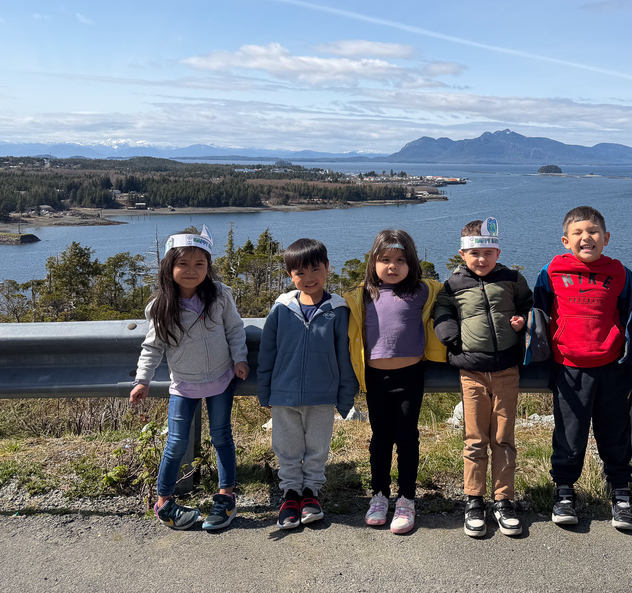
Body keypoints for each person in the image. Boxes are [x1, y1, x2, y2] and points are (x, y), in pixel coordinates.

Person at [130, 226, 249, 532]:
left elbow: (235, 329)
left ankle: (226, 496)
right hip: (183, 384)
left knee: (222, 437)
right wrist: (143, 380)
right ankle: (164, 503)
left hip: (222, 379)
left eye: (200, 264)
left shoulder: (220, 295)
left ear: (208, 267)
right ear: (169, 267)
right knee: (175, 443)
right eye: (183, 264)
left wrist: (240, 359)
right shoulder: (160, 307)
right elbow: (152, 347)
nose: (191, 271)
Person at [530, 206, 632, 529]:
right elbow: (540, 314)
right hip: (569, 369)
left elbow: (630, 320)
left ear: (606, 238)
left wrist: (629, 369)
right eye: (577, 233)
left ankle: (620, 493)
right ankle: (564, 492)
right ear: (565, 240)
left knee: (615, 436)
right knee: (569, 436)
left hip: (612, 368)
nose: (585, 238)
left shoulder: (621, 273)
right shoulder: (550, 272)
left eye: (592, 232)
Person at [434, 217, 532, 537]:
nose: (482, 259)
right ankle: (474, 499)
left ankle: (503, 501)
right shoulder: (453, 284)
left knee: (504, 438)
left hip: (507, 370)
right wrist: (449, 336)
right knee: (475, 439)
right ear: (463, 254)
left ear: (498, 252)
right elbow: (443, 312)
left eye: (488, 253)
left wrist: (523, 322)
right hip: (472, 372)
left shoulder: (513, 279)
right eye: (475, 254)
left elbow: (530, 307)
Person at [344, 229, 444, 535]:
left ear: (412, 263)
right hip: (376, 378)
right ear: (373, 262)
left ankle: (407, 498)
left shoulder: (424, 291)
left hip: (410, 376)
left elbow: (458, 298)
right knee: (380, 439)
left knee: (407, 438)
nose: (392, 266)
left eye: (400, 260)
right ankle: (379, 495)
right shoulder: (362, 294)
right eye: (385, 259)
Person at [257, 238, 357, 531]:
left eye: (315, 269)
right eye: (300, 273)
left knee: (317, 448)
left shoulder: (338, 310)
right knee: (286, 448)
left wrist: (345, 397)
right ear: (291, 275)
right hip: (284, 395)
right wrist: (265, 391)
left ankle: (311, 493)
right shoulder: (282, 308)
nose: (308, 278)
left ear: (328, 267)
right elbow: (267, 353)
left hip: (323, 396)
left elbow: (345, 356)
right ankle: (290, 495)